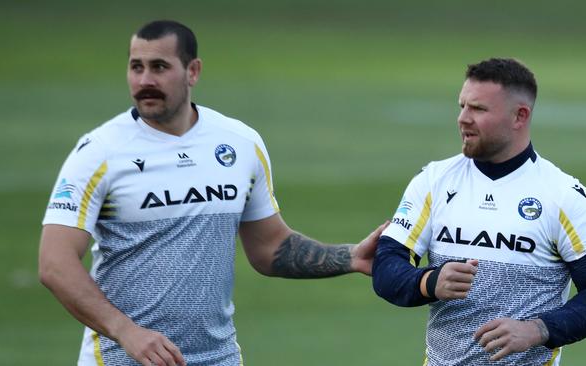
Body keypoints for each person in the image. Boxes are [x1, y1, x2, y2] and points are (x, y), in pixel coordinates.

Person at [39, 20, 386, 366]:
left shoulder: (240, 143)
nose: (145, 81)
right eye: (136, 67)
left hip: (218, 359)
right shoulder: (99, 152)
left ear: (193, 71)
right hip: (121, 359)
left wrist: (351, 257)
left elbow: (269, 247)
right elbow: (55, 264)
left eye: (159, 67)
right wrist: (126, 332)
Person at [372, 58, 586, 365]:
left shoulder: (565, 198)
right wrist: (429, 282)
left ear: (520, 116)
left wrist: (537, 329)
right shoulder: (433, 181)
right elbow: (385, 266)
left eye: (478, 109)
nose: (463, 118)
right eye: (462, 106)